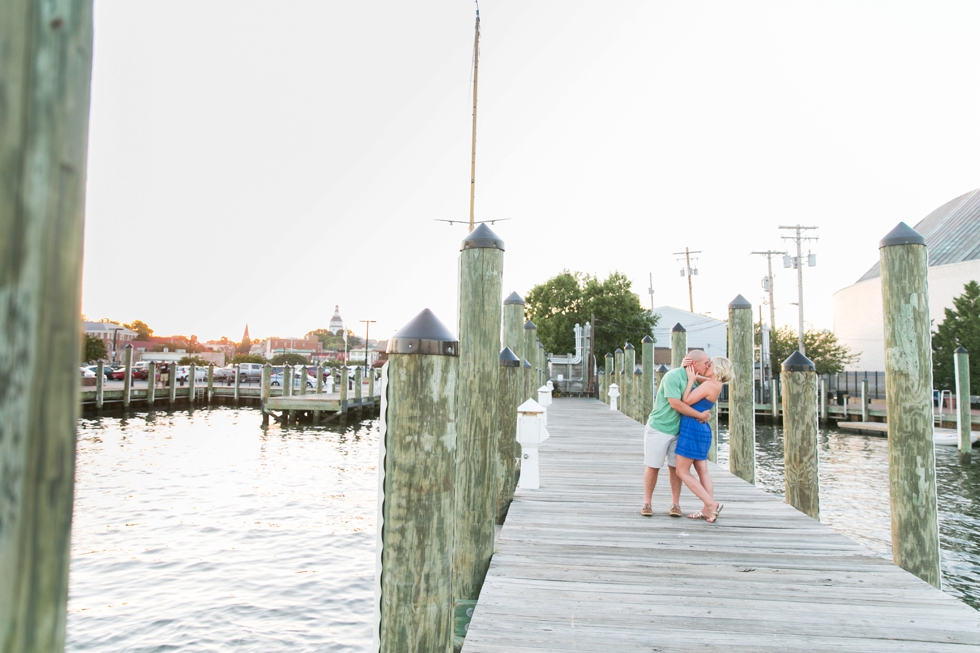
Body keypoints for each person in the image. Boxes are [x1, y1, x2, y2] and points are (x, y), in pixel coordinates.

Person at [641, 350, 713, 517]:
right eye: (706, 363)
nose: (708, 366)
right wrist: (700, 416)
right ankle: (647, 502)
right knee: (653, 466)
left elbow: (714, 381)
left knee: (675, 468)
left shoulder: (696, 380)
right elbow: (676, 404)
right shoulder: (673, 376)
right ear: (694, 363)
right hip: (660, 427)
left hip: (680, 430)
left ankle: (675, 503)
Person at [674, 356, 733, 523]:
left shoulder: (708, 385)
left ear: (717, 368)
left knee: (682, 471)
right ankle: (707, 511)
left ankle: (711, 504)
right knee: (702, 470)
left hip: (692, 428)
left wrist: (691, 379)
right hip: (702, 429)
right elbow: (700, 378)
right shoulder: (716, 384)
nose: (707, 365)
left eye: (710, 364)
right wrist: (688, 372)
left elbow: (686, 400)